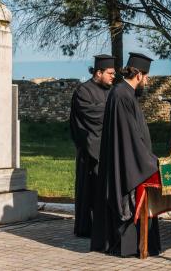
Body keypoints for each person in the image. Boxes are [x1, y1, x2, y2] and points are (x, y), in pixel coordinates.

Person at [90, 52, 161, 257]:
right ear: (138, 75)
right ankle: (128, 245)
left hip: (131, 158)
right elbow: (128, 136)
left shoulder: (125, 93)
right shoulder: (121, 94)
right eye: (146, 77)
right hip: (127, 162)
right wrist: (149, 161)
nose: (147, 81)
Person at [69, 55, 116, 237]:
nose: (113, 77)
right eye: (110, 73)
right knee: (88, 192)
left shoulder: (110, 91)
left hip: (107, 150)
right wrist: (112, 110)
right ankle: (86, 228)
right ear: (99, 72)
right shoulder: (83, 91)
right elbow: (91, 117)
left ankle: (103, 227)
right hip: (90, 152)